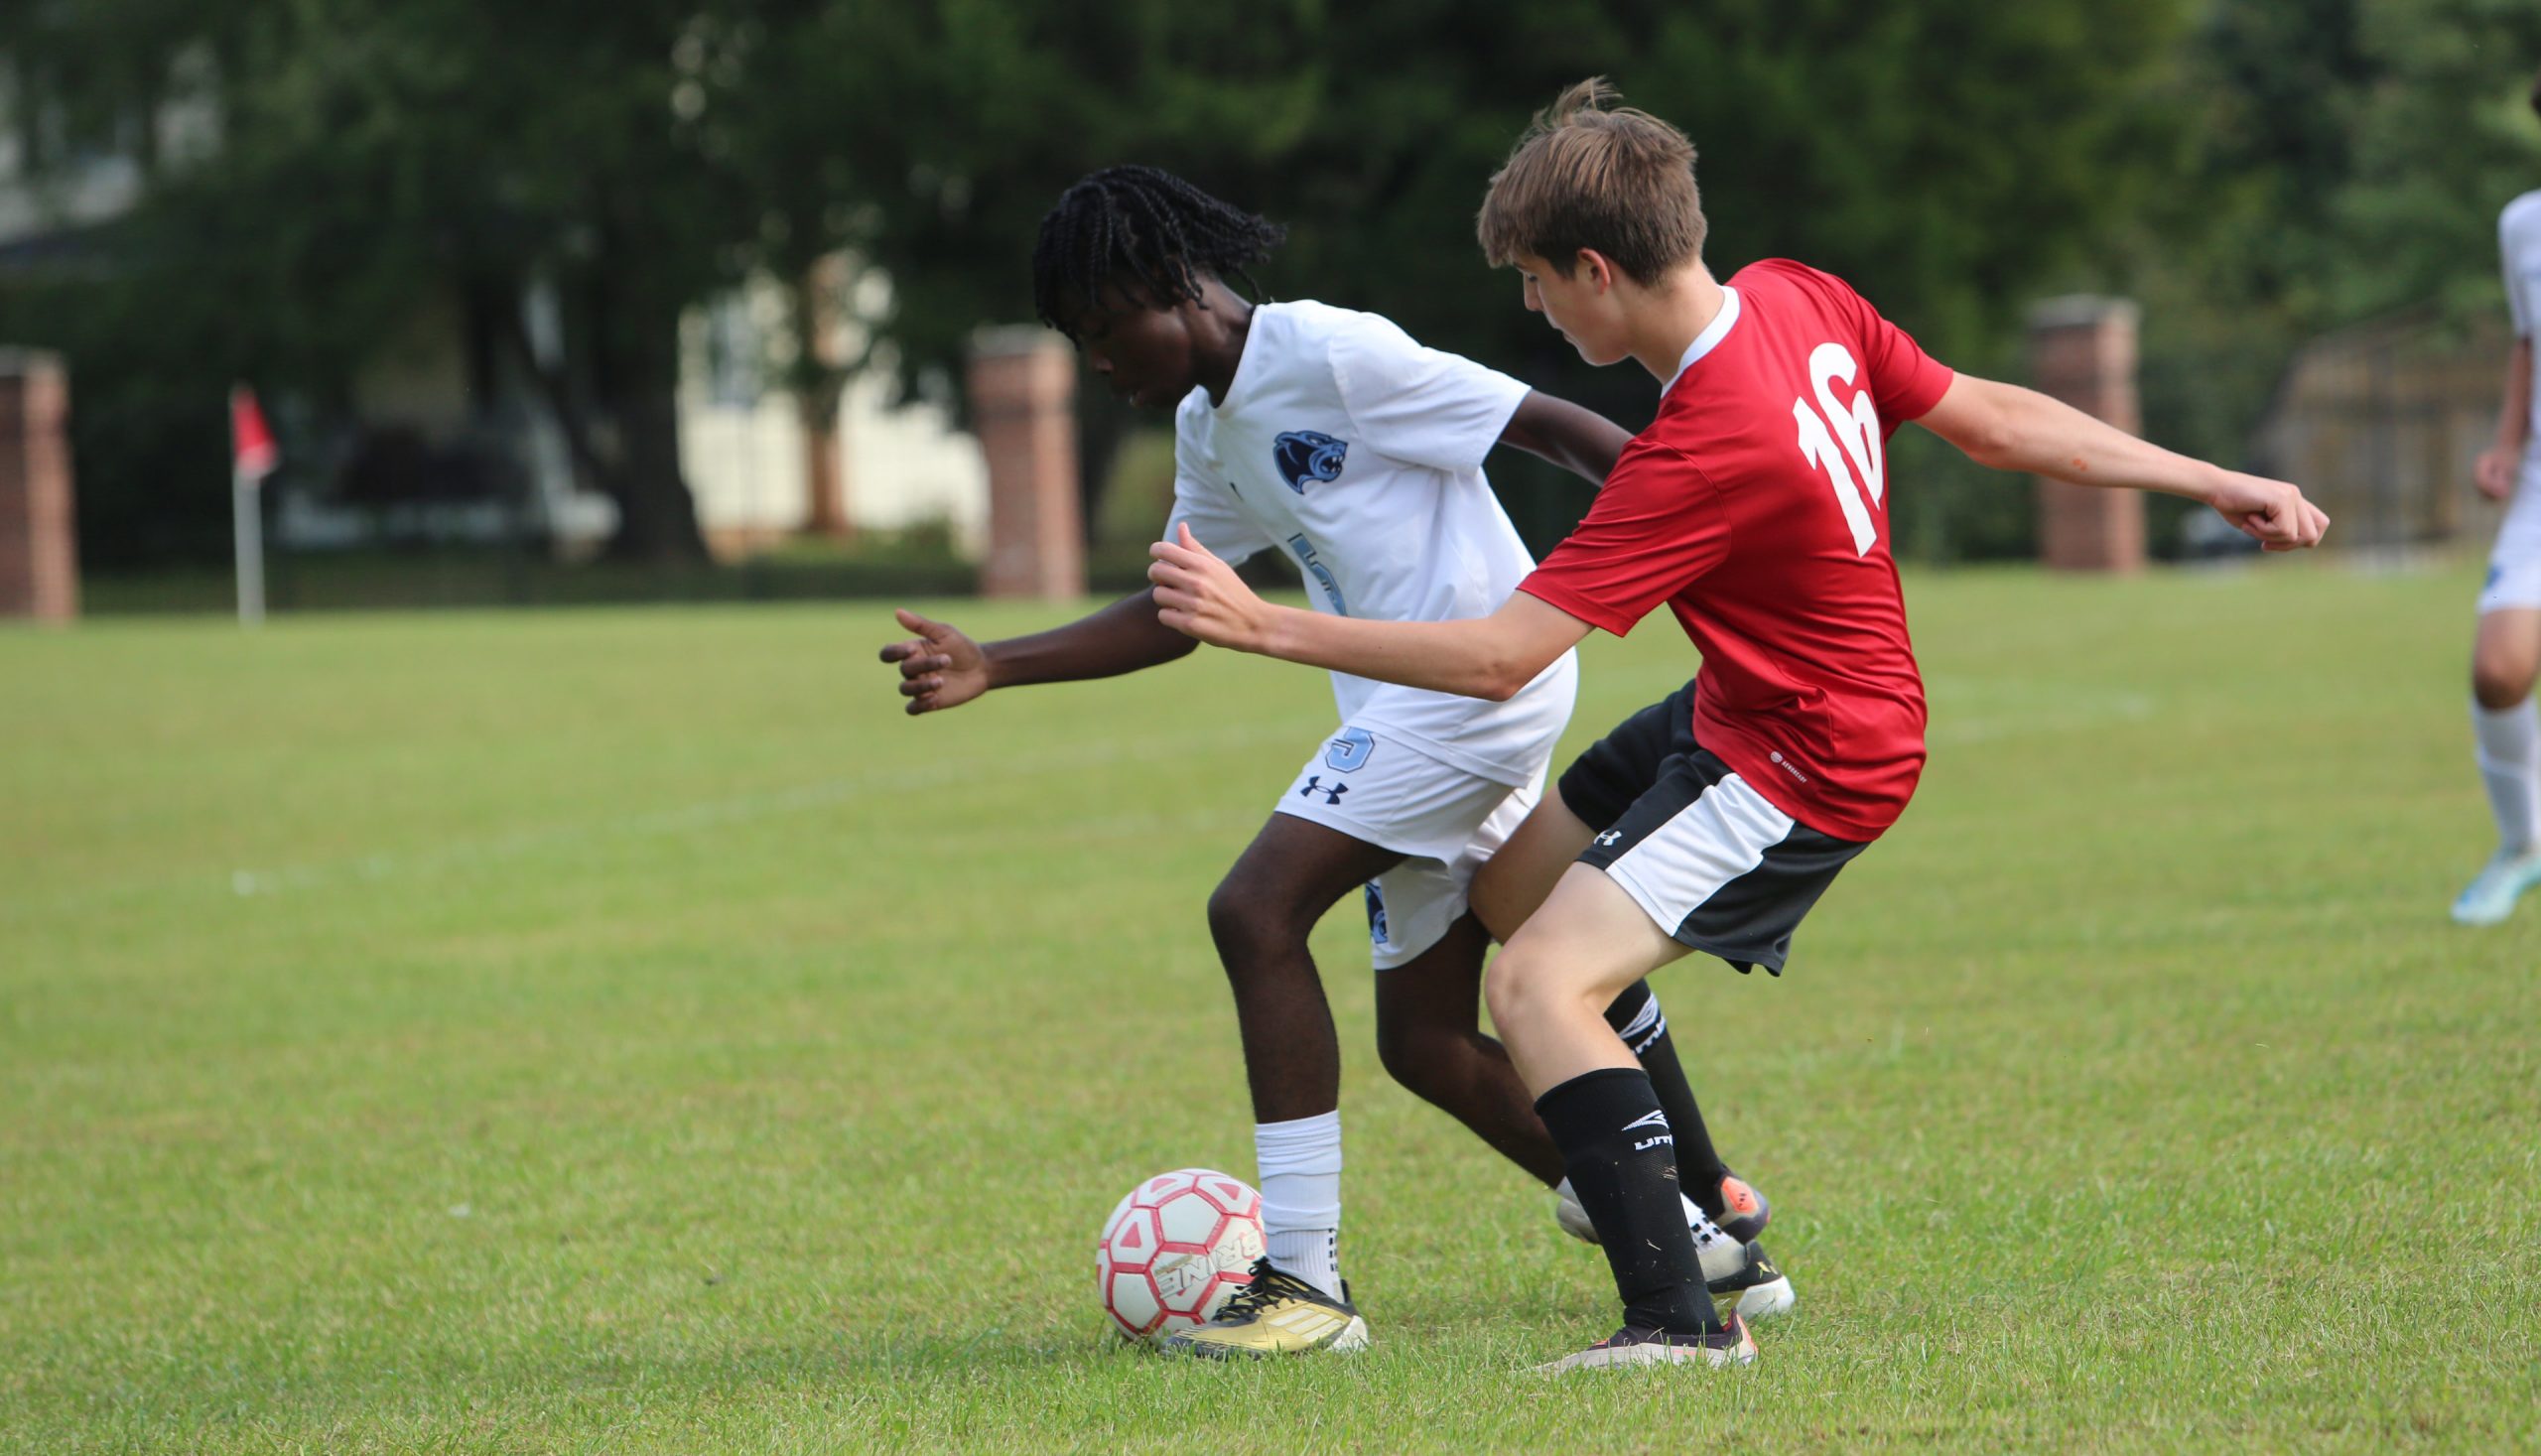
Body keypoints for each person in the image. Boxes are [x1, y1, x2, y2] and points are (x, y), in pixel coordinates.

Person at [1147, 81, 2330, 1372]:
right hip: (1747, 704)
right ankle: (1695, 1193)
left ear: (1597, 270)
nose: (1532, 308)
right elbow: (1989, 417)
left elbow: (1497, 658)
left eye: (1539, 282)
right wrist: (2215, 474)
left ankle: (1680, 1319)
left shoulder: (1701, 448)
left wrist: (1264, 625)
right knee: (1512, 885)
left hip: (1811, 754)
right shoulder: (1795, 297)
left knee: (1536, 984)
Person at [879, 165, 1789, 1359]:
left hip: (1473, 685)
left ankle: (1305, 1283)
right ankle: (1689, 1231)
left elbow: (1554, 428)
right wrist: (997, 662)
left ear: (1173, 288)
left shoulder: (1332, 351)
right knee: (1422, 1041)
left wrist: (1708, 542)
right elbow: (1175, 612)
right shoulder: (1209, 427)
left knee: (1254, 909)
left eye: (1107, 331)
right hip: (1406, 710)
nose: (1102, 364)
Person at [2454, 65, 2541, 927]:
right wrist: (2506, 445)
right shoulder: (2523, 224)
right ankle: (2524, 845)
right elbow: (2526, 344)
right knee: (2499, 668)